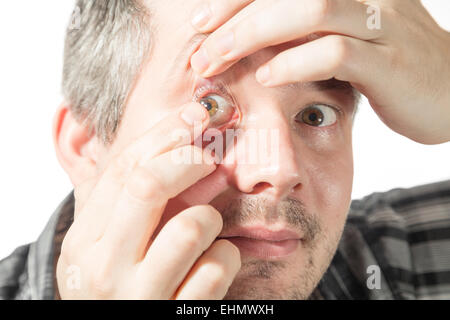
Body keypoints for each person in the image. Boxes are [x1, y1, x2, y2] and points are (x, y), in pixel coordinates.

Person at [0, 0, 449, 300]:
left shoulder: (394, 260)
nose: (279, 168)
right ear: (86, 145)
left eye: (315, 115)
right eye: (210, 106)